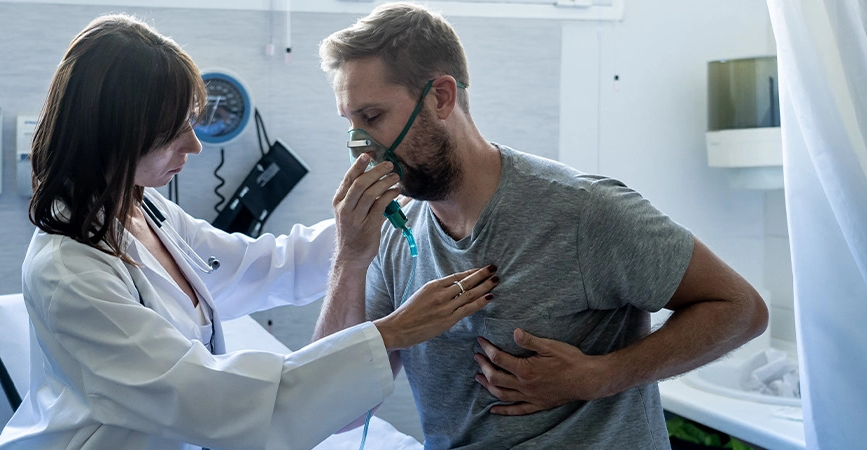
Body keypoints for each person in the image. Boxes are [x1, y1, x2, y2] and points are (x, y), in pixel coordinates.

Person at [0, 14, 498, 450]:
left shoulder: (148, 213)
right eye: (175, 133)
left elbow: (268, 265)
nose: (194, 148)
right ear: (116, 134)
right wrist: (393, 331)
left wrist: (373, 218)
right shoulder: (68, 273)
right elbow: (210, 400)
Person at [314, 3, 769, 449]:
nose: (362, 149)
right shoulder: (394, 237)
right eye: (350, 124)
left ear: (441, 97)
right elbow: (336, 412)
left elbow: (741, 308)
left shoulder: (581, 213)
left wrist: (601, 376)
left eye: (372, 118)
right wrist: (349, 261)